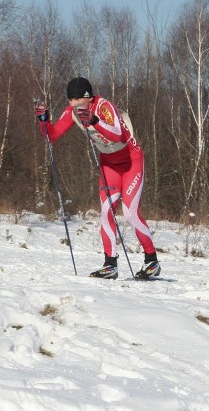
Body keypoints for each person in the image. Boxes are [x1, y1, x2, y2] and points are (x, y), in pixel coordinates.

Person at [35, 77, 160, 280]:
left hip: (131, 161)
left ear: (89, 98)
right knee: (106, 211)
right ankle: (110, 265)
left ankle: (151, 261)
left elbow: (117, 134)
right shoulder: (72, 112)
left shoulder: (104, 106)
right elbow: (52, 136)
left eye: (78, 100)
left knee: (129, 213)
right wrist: (44, 121)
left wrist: (93, 120)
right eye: (71, 100)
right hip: (108, 164)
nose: (74, 104)